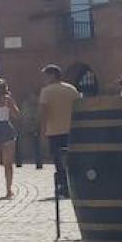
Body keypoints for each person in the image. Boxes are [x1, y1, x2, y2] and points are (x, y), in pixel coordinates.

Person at [36, 64, 81, 197]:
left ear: (52, 75)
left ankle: (63, 186)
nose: (44, 78)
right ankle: (74, 185)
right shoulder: (71, 89)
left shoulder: (46, 91)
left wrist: (42, 130)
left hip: (54, 131)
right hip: (72, 130)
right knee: (72, 159)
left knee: (58, 160)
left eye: (45, 75)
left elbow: (44, 112)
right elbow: (79, 107)